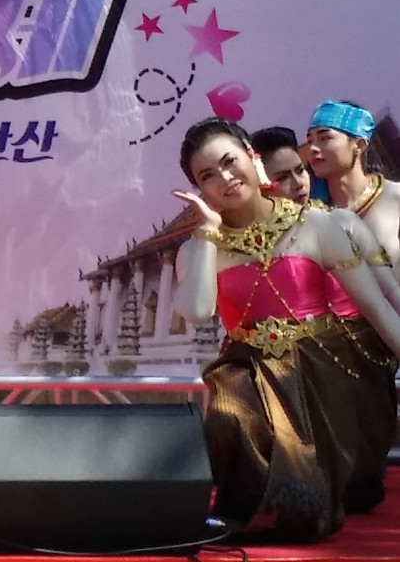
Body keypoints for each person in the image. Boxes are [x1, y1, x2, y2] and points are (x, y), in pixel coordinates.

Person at [171, 117, 400, 539]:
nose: (224, 178)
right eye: (208, 176)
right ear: (199, 190)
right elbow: (197, 310)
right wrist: (206, 234)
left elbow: (377, 309)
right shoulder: (197, 249)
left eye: (229, 162)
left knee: (311, 503)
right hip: (250, 371)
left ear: (251, 158)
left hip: (326, 369)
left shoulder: (317, 224)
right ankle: (254, 509)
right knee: (228, 412)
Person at [261, 120, 400, 511]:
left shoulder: (343, 222)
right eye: (282, 177)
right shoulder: (251, 242)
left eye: (300, 171)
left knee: (361, 489)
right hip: (292, 372)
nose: (299, 183)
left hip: (359, 359)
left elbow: (388, 293)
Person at [305, 101, 400, 264]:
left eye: (324, 138)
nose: (313, 148)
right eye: (310, 140)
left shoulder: (395, 197)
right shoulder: (313, 218)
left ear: (359, 145)